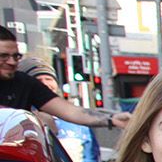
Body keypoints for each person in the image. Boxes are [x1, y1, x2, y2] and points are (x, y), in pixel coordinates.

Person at [0, 24, 130, 130]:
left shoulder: (24, 83)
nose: (12, 62)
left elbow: (71, 112)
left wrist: (111, 120)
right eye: (4, 56)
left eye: (16, 56)